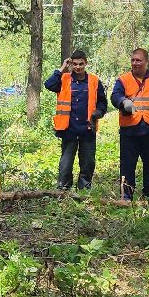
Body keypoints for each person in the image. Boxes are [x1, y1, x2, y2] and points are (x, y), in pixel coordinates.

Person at [110, 47, 149, 201]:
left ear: (146, 62)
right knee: (127, 167)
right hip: (129, 131)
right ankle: (126, 198)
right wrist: (123, 101)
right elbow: (115, 96)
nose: (135, 63)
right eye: (133, 60)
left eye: (138, 60)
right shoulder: (123, 80)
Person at [43, 50, 105, 191]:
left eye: (81, 64)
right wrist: (62, 67)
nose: (78, 67)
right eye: (75, 64)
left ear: (86, 63)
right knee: (66, 164)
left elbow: (103, 103)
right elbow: (48, 84)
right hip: (68, 129)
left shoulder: (94, 81)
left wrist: (98, 113)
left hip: (88, 129)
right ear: (71, 64)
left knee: (88, 162)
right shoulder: (64, 79)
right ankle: (63, 189)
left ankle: (84, 190)